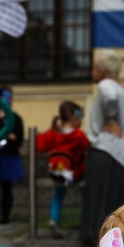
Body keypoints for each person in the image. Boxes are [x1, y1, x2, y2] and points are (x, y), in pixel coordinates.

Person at [81, 49, 124, 247]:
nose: (92, 71)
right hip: (123, 156)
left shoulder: (106, 85)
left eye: (94, 67)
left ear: (102, 70)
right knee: (115, 207)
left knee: (98, 207)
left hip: (106, 151)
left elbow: (108, 97)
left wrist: (110, 119)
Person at [35, 101, 89, 236]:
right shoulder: (78, 135)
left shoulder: (53, 133)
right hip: (75, 173)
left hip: (56, 172)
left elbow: (40, 146)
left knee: (58, 196)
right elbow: (87, 146)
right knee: (85, 194)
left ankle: (53, 220)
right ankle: (85, 221)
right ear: (74, 116)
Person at [0, 86, 24, 225]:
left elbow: (19, 137)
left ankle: (5, 216)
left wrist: (13, 137)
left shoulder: (15, 118)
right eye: (5, 96)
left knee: (7, 187)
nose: (8, 99)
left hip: (9, 156)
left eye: (10, 96)